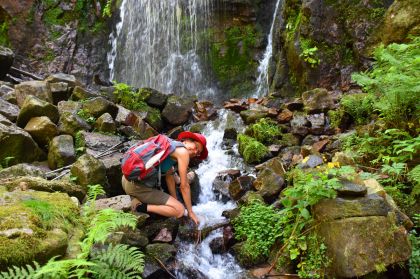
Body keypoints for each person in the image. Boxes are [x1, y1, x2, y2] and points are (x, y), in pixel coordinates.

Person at [122, 131, 208, 225]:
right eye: (196, 147)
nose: (195, 152)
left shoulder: (168, 146)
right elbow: (184, 186)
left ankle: (134, 197)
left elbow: (169, 177)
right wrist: (190, 212)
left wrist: (175, 200)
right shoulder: (183, 153)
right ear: (186, 141)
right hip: (138, 188)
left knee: (176, 205)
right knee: (179, 211)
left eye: (198, 152)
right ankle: (139, 206)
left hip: (126, 180)